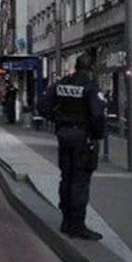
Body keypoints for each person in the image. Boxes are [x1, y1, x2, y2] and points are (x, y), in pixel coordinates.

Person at [40, 54, 106, 241]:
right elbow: (97, 115)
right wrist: (96, 135)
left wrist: (59, 120)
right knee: (80, 180)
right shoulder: (90, 87)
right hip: (82, 137)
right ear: (91, 68)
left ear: (76, 66)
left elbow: (43, 106)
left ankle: (66, 220)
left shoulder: (61, 85)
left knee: (66, 177)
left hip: (64, 135)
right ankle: (78, 225)